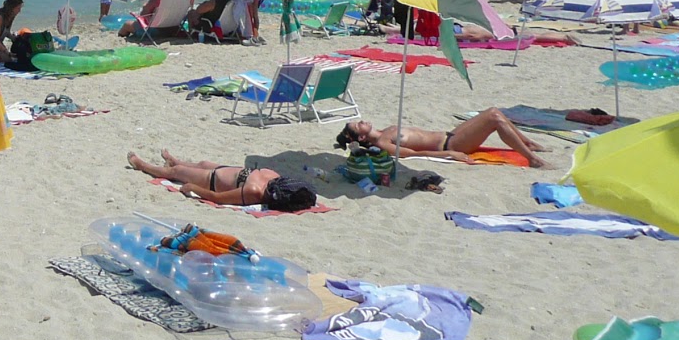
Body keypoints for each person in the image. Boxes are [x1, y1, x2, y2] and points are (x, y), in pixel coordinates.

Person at [334, 112, 550, 168]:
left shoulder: (384, 131)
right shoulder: (383, 143)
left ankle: (526, 143)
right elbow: (415, 154)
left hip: (450, 134)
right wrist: (449, 154)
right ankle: (531, 158)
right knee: (494, 118)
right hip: (451, 144)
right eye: (358, 125)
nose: (362, 121)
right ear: (362, 136)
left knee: (493, 112)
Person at [125, 150, 317, 212]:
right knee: (202, 163)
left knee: (176, 172)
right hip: (225, 170)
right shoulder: (273, 177)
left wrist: (194, 189)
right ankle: (176, 160)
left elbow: (218, 198)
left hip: (212, 180)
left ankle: (142, 165)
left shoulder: (256, 192)